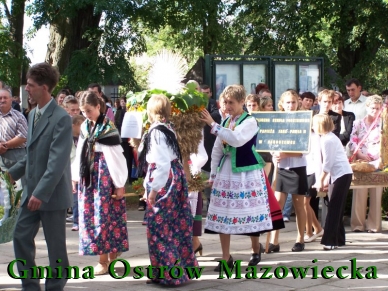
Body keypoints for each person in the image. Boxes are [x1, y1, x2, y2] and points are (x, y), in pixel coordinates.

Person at [201, 85, 284, 270]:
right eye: (225, 102)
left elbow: (236, 139)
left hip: (247, 172)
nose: (227, 105)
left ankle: (255, 249)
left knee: (250, 213)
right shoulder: (225, 122)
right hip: (226, 171)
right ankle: (225, 257)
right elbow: (217, 150)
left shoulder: (250, 121)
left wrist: (212, 125)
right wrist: (214, 174)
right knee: (223, 214)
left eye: (231, 102)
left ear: (241, 102)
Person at [7, 62, 73, 290]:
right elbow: (30, 154)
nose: (26, 89)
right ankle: (30, 286)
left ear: (44, 88)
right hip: (30, 193)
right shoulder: (33, 113)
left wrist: (41, 193)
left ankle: (55, 287)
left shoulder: (62, 118)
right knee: (20, 237)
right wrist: (10, 176)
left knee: (56, 248)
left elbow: (57, 162)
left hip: (51, 195)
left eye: (30, 85)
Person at [137, 94, 198, 285]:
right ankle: (168, 271)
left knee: (160, 228)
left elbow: (161, 164)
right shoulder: (167, 128)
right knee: (175, 225)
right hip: (175, 176)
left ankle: (170, 274)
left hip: (165, 180)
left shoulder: (156, 132)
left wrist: (154, 189)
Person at [72, 91, 129, 275]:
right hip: (89, 177)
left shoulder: (107, 127)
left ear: (98, 106)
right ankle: (103, 259)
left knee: (106, 218)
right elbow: (80, 151)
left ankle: (108, 260)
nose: (86, 115)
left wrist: (119, 183)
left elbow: (116, 157)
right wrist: (75, 176)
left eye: (88, 110)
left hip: (105, 177)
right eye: (83, 112)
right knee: (93, 217)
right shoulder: (86, 127)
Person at [269, 90, 308, 253]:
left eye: (293, 102)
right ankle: (274, 241)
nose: (290, 106)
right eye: (287, 103)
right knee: (278, 204)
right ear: (282, 104)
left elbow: (303, 149)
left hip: (298, 167)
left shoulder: (303, 120)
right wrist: (274, 154)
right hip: (282, 168)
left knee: (299, 205)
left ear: (297, 103)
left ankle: (300, 239)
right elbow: (270, 142)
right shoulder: (277, 121)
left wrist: (286, 153)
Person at [312, 114, 353, 250]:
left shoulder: (328, 140)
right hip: (339, 174)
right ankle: (339, 239)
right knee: (337, 207)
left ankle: (330, 241)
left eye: (314, 124)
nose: (312, 127)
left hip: (342, 174)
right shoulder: (327, 138)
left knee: (334, 208)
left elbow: (327, 165)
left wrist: (320, 181)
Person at [348, 95, 384, 233]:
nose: (375, 110)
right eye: (372, 108)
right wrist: (361, 155)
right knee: (360, 191)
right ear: (367, 107)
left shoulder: (383, 125)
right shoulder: (358, 123)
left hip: (377, 162)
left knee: (376, 192)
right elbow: (352, 141)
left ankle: (374, 226)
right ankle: (358, 225)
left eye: (377, 108)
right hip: (361, 161)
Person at [69, 114, 85, 231]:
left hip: (82, 170)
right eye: (80, 126)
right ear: (73, 126)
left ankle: (82, 220)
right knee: (75, 198)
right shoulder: (67, 138)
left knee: (82, 198)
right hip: (71, 169)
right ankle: (76, 220)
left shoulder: (84, 137)